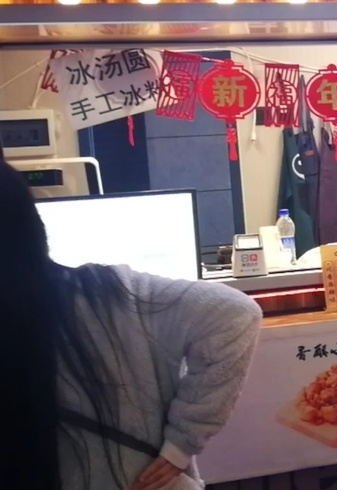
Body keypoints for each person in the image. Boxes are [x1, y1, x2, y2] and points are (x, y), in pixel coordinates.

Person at [0, 159, 263, 490]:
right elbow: (236, 313)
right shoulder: (106, 291)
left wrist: (183, 441)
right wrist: (181, 444)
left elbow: (236, 314)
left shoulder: (106, 294)